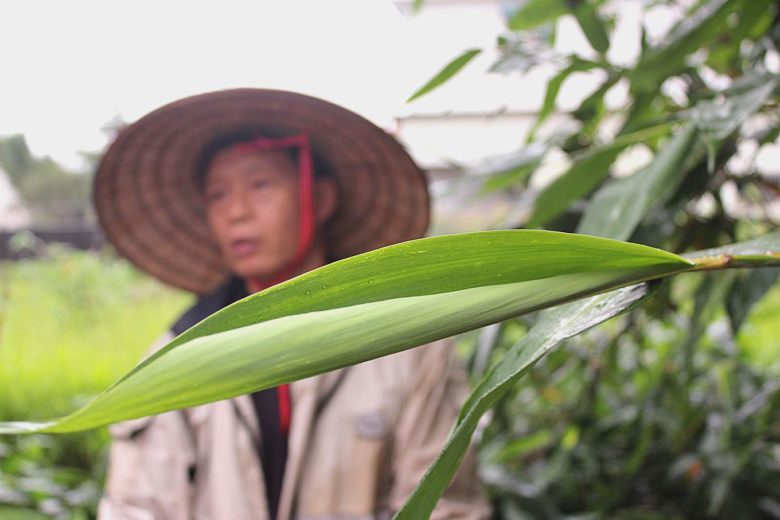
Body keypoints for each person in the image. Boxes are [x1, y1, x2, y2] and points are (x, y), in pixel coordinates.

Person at [94, 89, 490, 520]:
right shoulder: (178, 357)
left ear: (320, 199)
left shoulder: (408, 347)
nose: (237, 212)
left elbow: (445, 507)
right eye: (217, 195)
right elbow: (137, 506)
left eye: (260, 185)